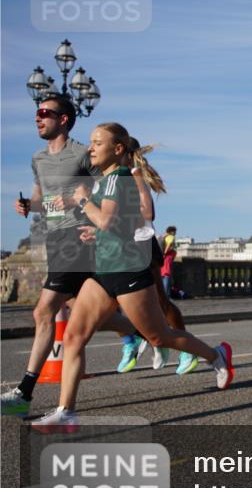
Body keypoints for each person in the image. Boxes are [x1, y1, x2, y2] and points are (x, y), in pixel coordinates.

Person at [31, 123, 235, 432]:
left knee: (159, 336)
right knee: (73, 336)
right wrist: (92, 231)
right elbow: (117, 225)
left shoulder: (119, 179)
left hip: (128, 271)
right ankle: (66, 411)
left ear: (117, 150)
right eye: (90, 142)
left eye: (97, 143)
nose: (90, 148)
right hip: (104, 270)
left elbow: (108, 220)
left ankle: (216, 355)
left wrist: (85, 201)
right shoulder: (105, 183)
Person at [2, 95, 103, 418]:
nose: (38, 118)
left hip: (80, 238)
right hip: (55, 239)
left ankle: (24, 392)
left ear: (64, 120)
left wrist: (79, 203)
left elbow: (104, 190)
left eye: (45, 113)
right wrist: (27, 206)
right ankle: (145, 333)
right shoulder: (38, 159)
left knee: (43, 312)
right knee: (85, 308)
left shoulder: (81, 154)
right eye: (36, 113)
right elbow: (40, 199)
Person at [118, 144, 197, 375]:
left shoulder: (134, 175)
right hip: (116, 249)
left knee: (160, 302)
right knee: (112, 303)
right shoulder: (107, 178)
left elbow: (148, 213)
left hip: (141, 246)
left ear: (119, 150)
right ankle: (135, 342)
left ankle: (186, 349)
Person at [161, 226, 177, 296]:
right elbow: (169, 245)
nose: (175, 233)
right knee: (166, 274)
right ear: (172, 231)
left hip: (165, 256)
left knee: (163, 274)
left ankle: (166, 294)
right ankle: (166, 295)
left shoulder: (165, 237)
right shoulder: (171, 237)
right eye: (175, 231)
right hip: (168, 256)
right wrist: (165, 253)